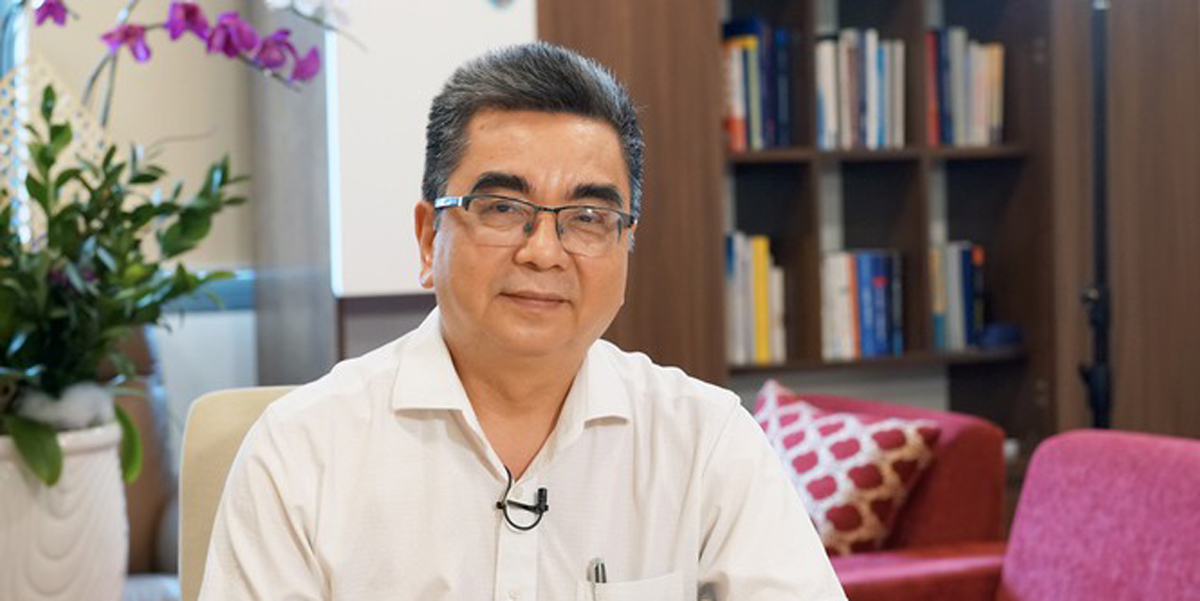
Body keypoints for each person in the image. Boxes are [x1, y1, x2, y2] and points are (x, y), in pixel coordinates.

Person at [199, 42, 846, 601]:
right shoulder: (303, 451)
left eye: (588, 218)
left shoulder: (706, 440)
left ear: (626, 245)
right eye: (503, 208)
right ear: (428, 238)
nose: (543, 251)